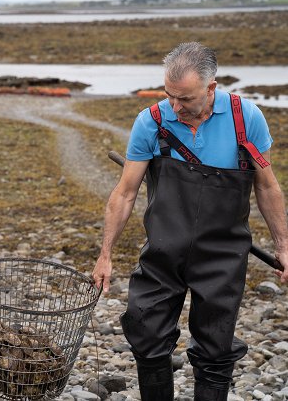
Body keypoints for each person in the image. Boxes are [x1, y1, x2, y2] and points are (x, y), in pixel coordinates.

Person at [92, 42, 288, 401]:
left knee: (215, 349)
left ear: (211, 88)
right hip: (163, 253)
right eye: (169, 96)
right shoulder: (151, 121)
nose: (175, 107)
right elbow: (124, 194)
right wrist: (105, 253)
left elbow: (268, 187)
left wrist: (284, 247)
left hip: (223, 256)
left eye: (185, 99)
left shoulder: (247, 119)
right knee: (144, 329)